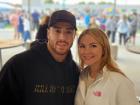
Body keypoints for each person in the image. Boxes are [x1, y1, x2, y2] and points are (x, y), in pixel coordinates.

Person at [0, 10, 79, 105]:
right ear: (48, 33)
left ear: (74, 35)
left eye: (68, 32)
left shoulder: (75, 72)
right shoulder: (19, 65)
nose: (62, 37)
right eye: (57, 31)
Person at [74, 28, 139, 105]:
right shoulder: (82, 75)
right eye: (82, 46)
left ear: (104, 49)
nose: (86, 51)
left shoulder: (120, 81)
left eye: (93, 46)